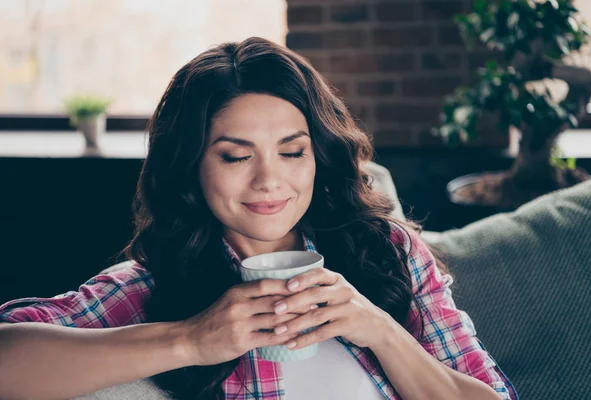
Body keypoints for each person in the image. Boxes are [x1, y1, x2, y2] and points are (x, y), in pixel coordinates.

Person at [0, 37, 517, 400]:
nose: (270, 181)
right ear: (190, 168)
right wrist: (192, 340)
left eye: (292, 152)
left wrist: (379, 330)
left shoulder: (387, 251)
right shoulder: (158, 283)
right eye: (235, 156)